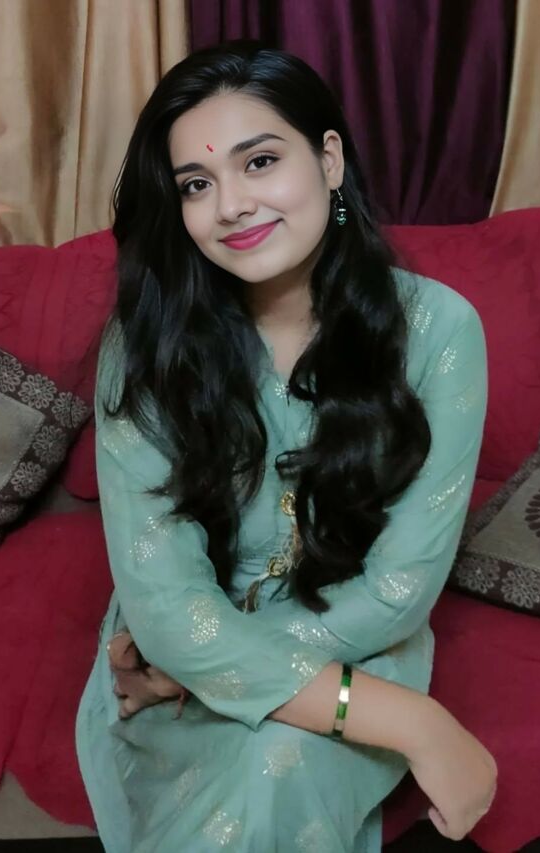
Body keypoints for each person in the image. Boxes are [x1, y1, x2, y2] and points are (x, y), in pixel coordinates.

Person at [76, 41, 496, 853]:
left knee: (278, 766)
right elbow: (165, 602)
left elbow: (399, 589)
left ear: (329, 159)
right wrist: (414, 722)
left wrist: (196, 668)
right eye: (196, 184)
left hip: (352, 638)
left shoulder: (439, 330)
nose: (231, 205)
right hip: (176, 640)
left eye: (260, 161)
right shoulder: (147, 343)